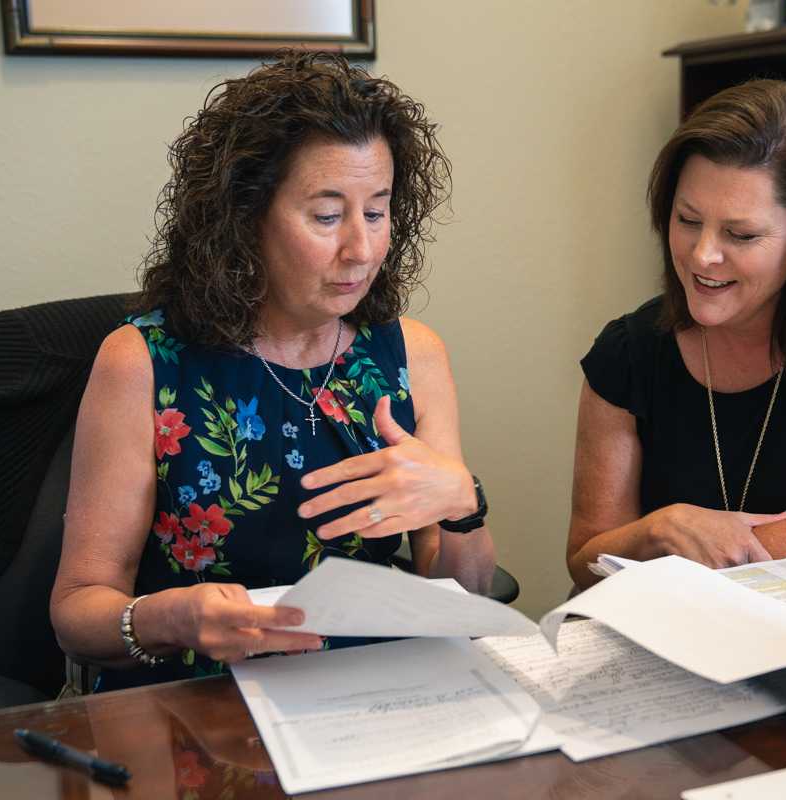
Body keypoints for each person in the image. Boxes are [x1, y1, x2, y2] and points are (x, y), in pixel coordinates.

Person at [50, 50, 495, 689]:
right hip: (196, 697)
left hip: (368, 692)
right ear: (247, 215)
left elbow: (468, 600)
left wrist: (463, 505)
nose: (361, 248)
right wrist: (167, 618)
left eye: (376, 211)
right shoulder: (143, 363)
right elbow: (77, 613)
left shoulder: (411, 355)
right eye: (326, 215)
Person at [567, 79, 786, 590]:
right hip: (666, 636)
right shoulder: (626, 353)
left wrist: (691, 553)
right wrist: (660, 528)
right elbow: (586, 563)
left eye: (741, 235)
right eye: (687, 220)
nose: (702, 256)